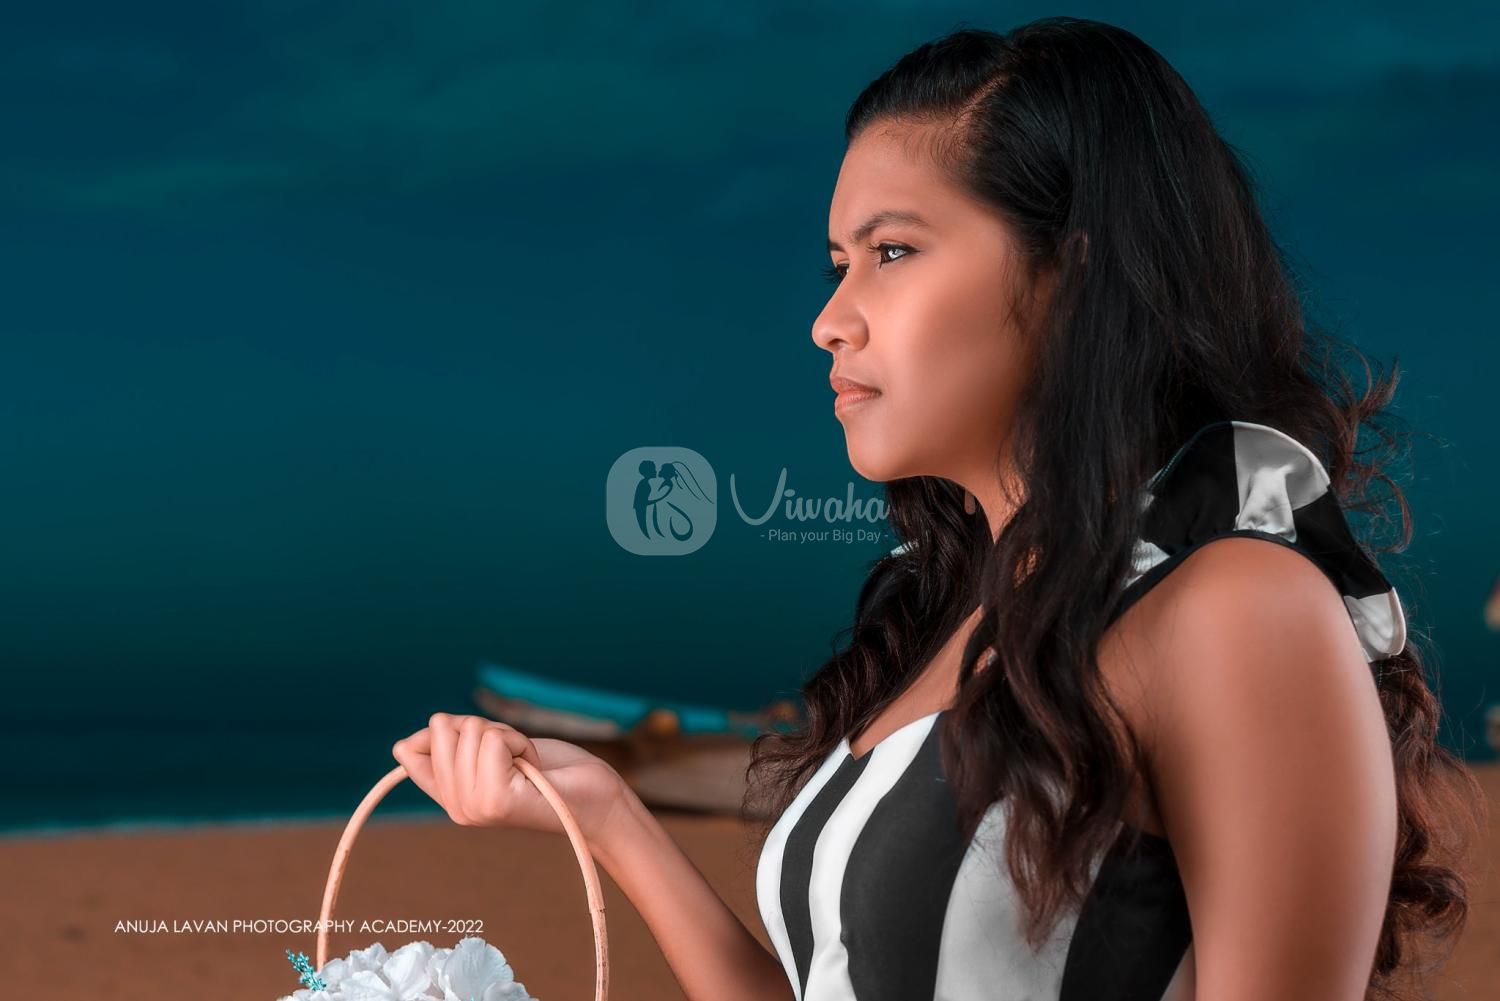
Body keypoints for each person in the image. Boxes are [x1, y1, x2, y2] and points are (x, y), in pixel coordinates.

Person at [392, 16, 1485, 1001]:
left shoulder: (1236, 606)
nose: (830, 318)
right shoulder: (953, 621)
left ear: (1071, 275)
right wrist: (610, 817)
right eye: (838, 263)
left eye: (892, 252)